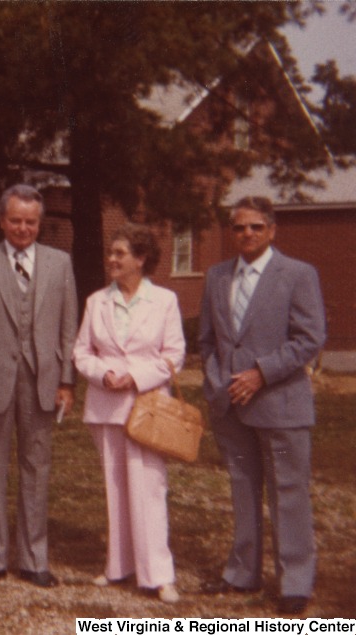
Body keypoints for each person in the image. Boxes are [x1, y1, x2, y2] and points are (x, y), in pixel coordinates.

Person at [199, 196, 325, 615]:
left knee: (288, 493)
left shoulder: (297, 274)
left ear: (272, 230)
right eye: (239, 227)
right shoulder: (217, 276)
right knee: (242, 489)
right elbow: (208, 341)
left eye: (256, 226)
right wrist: (219, 382)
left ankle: (294, 582)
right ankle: (242, 572)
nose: (247, 234)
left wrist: (260, 374)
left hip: (280, 403)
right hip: (231, 406)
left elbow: (310, 338)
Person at [0, 184, 78, 591]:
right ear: (2, 221)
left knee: (36, 467)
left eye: (31, 221)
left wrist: (66, 380)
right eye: (16, 220)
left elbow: (68, 327)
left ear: (39, 223)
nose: (23, 228)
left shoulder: (59, 263)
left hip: (42, 379)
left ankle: (33, 558)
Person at [72, 223, 185, 604]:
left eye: (120, 254)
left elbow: (174, 355)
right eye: (111, 253)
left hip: (148, 406)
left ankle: (159, 575)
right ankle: (118, 567)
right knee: (115, 488)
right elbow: (81, 352)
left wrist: (134, 377)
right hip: (105, 406)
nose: (112, 260)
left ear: (140, 259)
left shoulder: (165, 300)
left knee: (149, 490)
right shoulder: (96, 301)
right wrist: (102, 374)